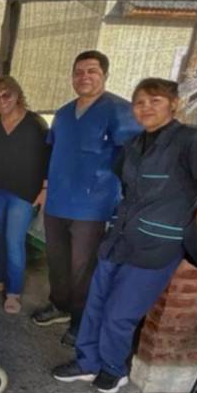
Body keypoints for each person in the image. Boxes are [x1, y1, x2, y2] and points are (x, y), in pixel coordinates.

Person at [52, 78, 197, 393]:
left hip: (157, 245)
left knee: (120, 313)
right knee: (96, 303)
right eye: (139, 102)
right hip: (120, 237)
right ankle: (87, 362)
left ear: (174, 104)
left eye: (155, 101)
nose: (145, 108)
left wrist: (190, 233)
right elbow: (126, 186)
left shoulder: (192, 141)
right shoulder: (134, 144)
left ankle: (113, 368)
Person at [33, 50, 142, 346]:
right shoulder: (64, 114)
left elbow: (133, 158)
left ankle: (81, 322)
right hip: (58, 200)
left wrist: (126, 197)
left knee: (83, 268)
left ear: (105, 75)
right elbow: (52, 152)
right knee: (56, 259)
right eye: (79, 72)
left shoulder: (119, 111)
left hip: (93, 205)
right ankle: (59, 305)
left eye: (92, 71)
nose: (84, 77)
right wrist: (45, 189)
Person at [0, 76, 50, 315]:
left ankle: (13, 291)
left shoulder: (35, 124)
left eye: (6, 95)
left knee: (14, 240)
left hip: (25, 193)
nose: (1, 101)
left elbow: (49, 157)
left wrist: (45, 189)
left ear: (17, 94)